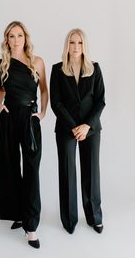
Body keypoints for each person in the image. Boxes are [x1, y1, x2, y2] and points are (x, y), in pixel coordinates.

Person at [0, 21, 48, 249]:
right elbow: (0, 92)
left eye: (19, 35)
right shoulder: (1, 64)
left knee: (32, 169)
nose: (16, 40)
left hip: (29, 118)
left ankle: (32, 225)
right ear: (7, 39)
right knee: (10, 165)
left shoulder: (37, 62)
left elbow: (44, 90)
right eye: (11, 36)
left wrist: (43, 113)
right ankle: (18, 213)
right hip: (9, 119)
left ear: (25, 38)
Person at [50, 28, 105, 234]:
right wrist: (73, 126)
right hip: (66, 128)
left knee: (91, 173)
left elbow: (100, 100)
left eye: (79, 43)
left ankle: (94, 217)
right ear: (67, 45)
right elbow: (56, 102)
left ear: (84, 46)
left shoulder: (95, 68)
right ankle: (69, 220)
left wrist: (86, 125)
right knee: (67, 172)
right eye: (72, 42)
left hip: (90, 128)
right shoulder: (57, 69)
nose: (75, 47)